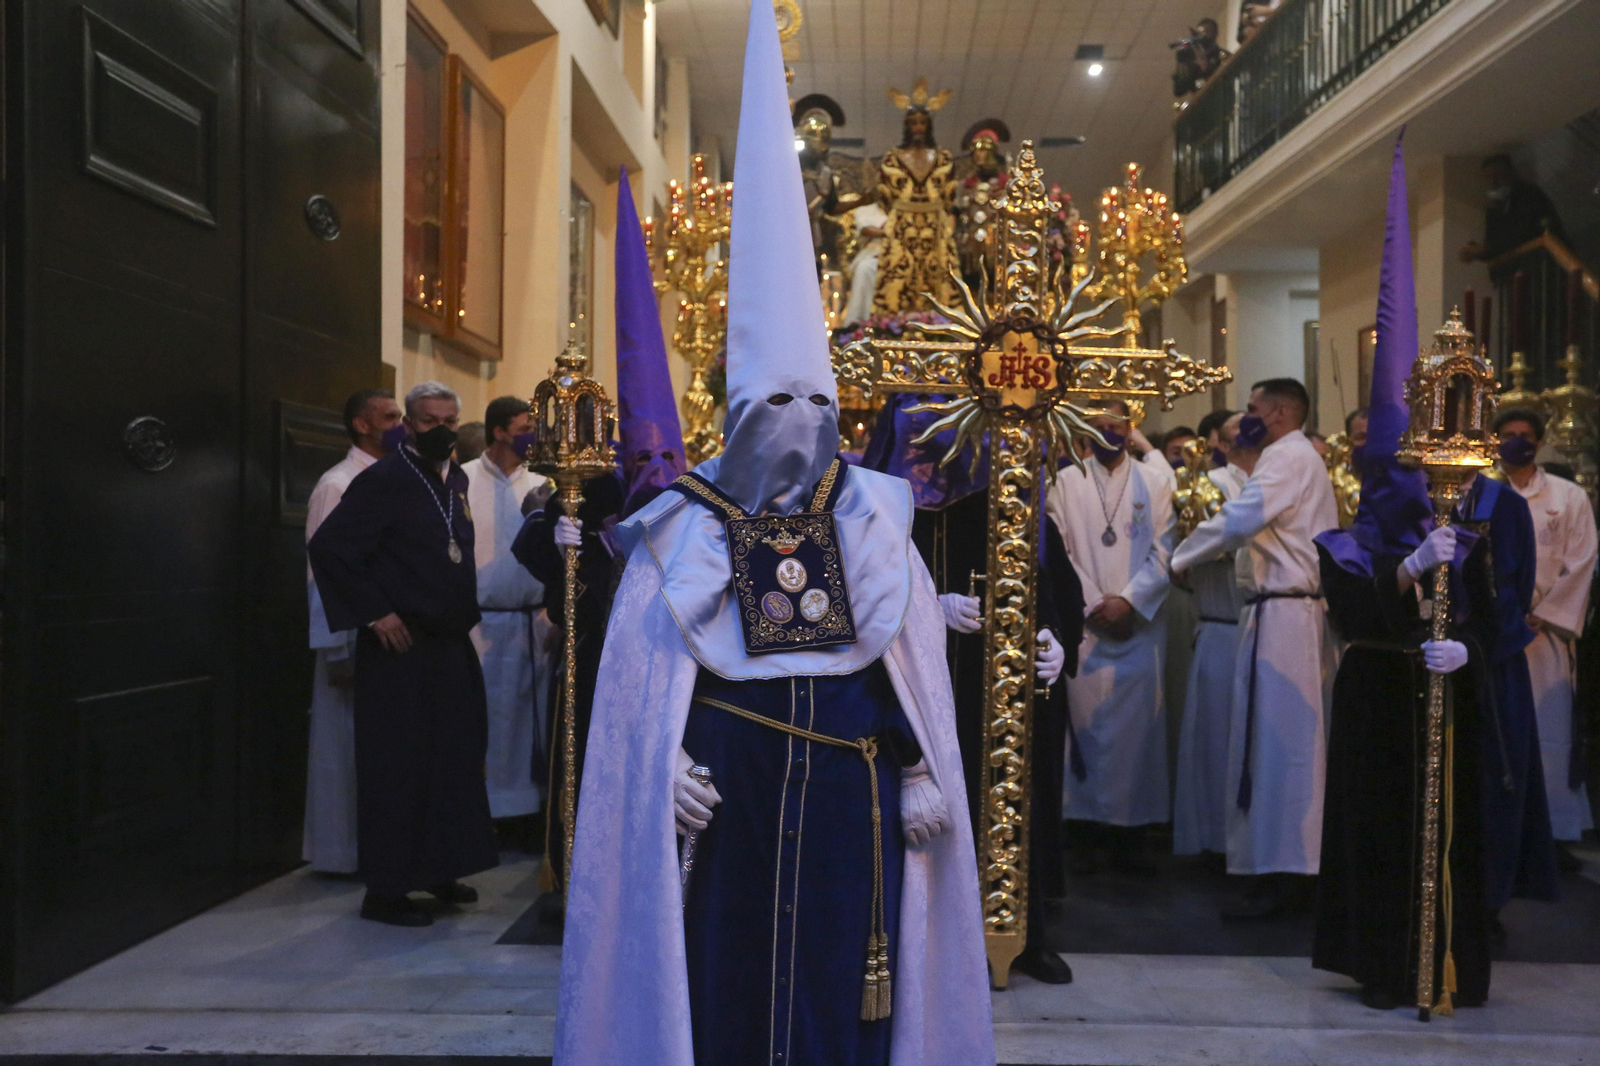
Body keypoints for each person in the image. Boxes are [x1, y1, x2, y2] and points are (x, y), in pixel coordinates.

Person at [554, 4, 993, 1060]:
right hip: (726, 783)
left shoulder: (877, 512)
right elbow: (631, 695)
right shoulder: (675, 531)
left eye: (817, 404)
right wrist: (653, 767)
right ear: (736, 413)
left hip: (854, 780)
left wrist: (924, 763)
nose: (799, 428)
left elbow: (905, 660)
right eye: (774, 407)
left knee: (850, 974)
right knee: (723, 966)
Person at [1314, 141, 1557, 1006]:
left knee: (1454, 833)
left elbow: (1500, 607)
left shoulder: (1473, 522)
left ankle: (1453, 960)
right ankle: (1388, 966)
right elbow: (1354, 617)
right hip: (1380, 703)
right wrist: (1408, 573)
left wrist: (1472, 645)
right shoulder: (1345, 543)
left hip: (1449, 697)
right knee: (1385, 836)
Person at [863, 392, 1079, 984]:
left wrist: (1057, 639)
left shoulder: (1013, 499)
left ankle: (1023, 935)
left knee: (1018, 799)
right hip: (934, 684)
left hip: (1008, 684)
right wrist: (929, 605)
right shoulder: (886, 510)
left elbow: (1054, 583)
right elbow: (861, 592)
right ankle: (932, 941)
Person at [307, 381, 498, 927]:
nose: (440, 430)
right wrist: (374, 612)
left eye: (449, 421)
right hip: (400, 648)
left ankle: (441, 867)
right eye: (428, 421)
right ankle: (386, 890)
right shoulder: (384, 479)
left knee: (452, 760)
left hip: (447, 644)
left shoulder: (455, 478)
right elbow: (330, 549)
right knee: (399, 766)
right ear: (407, 426)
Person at [1170, 377, 1339, 919]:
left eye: (1252, 409)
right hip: (1276, 613)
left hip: (1286, 617)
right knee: (1269, 745)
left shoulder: (1287, 457)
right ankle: (1274, 868)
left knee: (1280, 747)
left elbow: (1241, 519)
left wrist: (1179, 558)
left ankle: (1286, 874)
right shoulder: (1291, 454)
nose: (1246, 418)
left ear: (1282, 413)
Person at [1047, 401, 1176, 876]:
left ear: (1130, 427)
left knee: (1138, 733)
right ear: (1084, 429)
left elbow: (1167, 549)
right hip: (1087, 628)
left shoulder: (1157, 482)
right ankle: (1082, 832)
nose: (1108, 431)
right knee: (1083, 730)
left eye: (1115, 424)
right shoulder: (1065, 481)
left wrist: (1129, 601)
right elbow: (1058, 549)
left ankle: (1131, 835)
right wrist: (1091, 602)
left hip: (1139, 627)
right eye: (1098, 424)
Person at [302, 388, 401, 874]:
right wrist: (335, 646)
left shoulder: (387, 477)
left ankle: (375, 848)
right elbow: (322, 572)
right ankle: (341, 852)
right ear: (362, 426)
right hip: (348, 636)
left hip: (380, 639)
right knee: (342, 748)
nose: (399, 424)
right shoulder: (337, 483)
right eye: (390, 417)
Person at [1496, 407, 1597, 867]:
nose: (1517, 441)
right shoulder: (1482, 493)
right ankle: (1504, 829)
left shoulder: (1568, 496)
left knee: (1548, 730)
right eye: (1508, 435)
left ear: (1538, 443)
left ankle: (1552, 836)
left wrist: (1544, 613)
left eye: (1525, 435)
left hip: (1546, 635)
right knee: (1503, 730)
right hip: (1497, 631)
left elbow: (1581, 560)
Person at [463, 396, 550, 831]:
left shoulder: (543, 485)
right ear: (498, 431)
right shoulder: (460, 480)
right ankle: (481, 818)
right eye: (523, 427)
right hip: (478, 623)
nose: (532, 435)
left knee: (526, 726)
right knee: (482, 724)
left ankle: (524, 819)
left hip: (532, 622)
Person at [1173, 413, 1257, 863]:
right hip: (1223, 622)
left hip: (1265, 625)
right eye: (1233, 435)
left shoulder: (1270, 478)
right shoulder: (1209, 485)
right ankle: (1215, 842)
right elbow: (1195, 552)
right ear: (1219, 444)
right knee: (1217, 744)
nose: (1243, 440)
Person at [873, 78, 960, 317]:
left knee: (940, 274)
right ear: (907, 126)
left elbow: (950, 195)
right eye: (914, 123)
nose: (918, 128)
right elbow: (884, 196)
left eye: (923, 123)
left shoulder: (943, 158)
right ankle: (892, 325)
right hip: (903, 225)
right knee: (897, 275)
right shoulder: (892, 158)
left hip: (935, 225)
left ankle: (941, 325)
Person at [1459, 155, 1565, 281]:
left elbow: (1523, 233)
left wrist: (1484, 250)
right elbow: (1495, 245)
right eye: (1488, 178)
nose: (1493, 183)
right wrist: (1476, 252)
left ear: (1510, 173)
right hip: (1515, 278)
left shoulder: (1529, 195)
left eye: (1498, 175)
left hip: (1543, 271)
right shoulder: (1493, 210)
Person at [953, 119, 1010, 292]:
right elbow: (954, 213)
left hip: (999, 247)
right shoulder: (964, 186)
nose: (978, 155)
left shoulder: (1007, 186)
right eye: (975, 152)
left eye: (983, 150)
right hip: (969, 250)